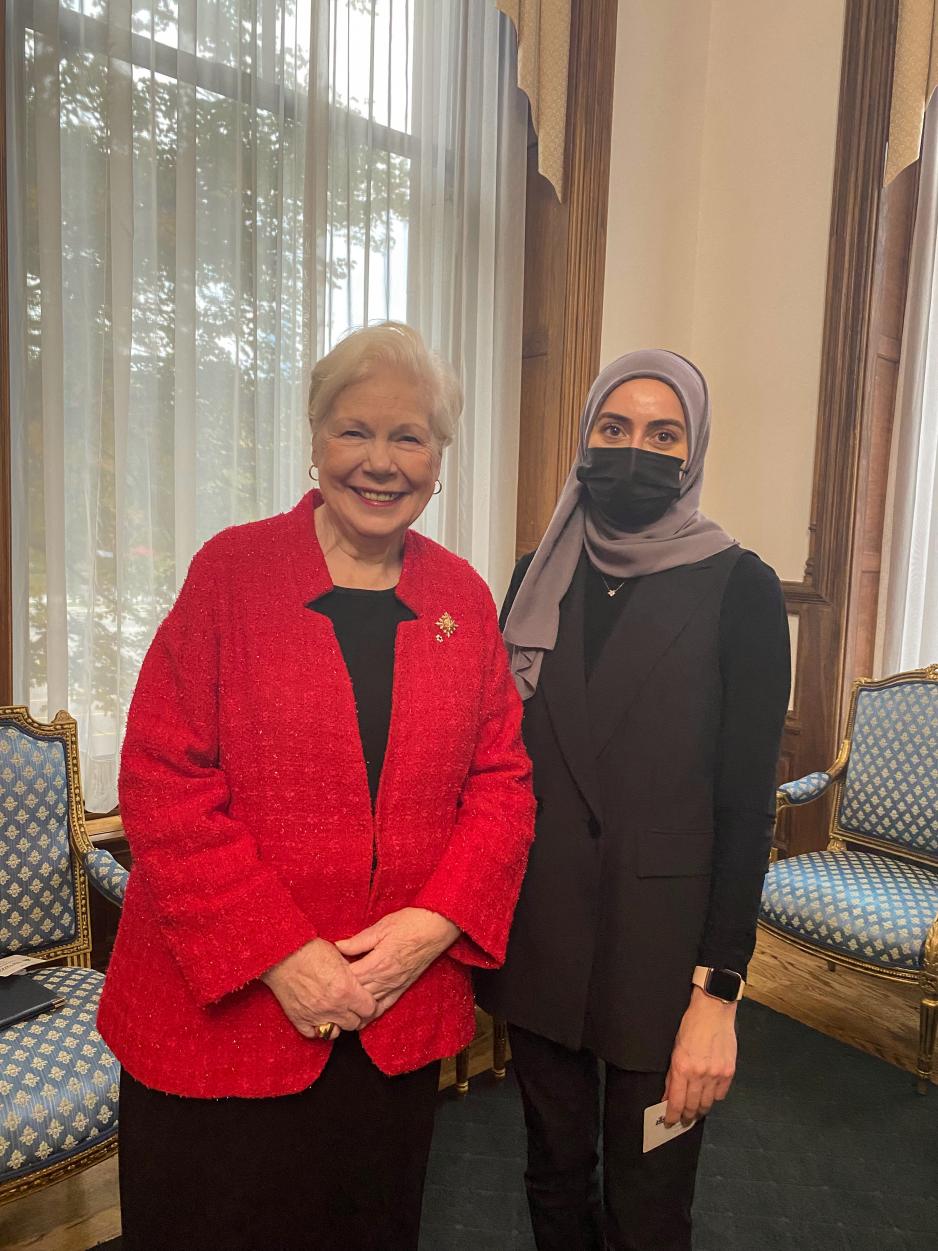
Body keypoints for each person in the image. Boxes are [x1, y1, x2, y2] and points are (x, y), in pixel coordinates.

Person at [97, 322, 536, 1251]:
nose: (381, 462)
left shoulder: (462, 596)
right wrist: (282, 955)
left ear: (439, 457)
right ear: (313, 438)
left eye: (409, 436)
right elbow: (162, 779)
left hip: (390, 1008)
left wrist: (432, 928)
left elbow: (503, 784)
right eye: (354, 430)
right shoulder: (232, 572)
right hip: (224, 1016)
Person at [476, 349, 790, 1251]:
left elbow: (745, 812)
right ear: (584, 440)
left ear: (692, 453)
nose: (634, 450)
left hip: (666, 965)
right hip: (545, 942)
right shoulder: (538, 574)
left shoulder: (743, 587)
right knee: (552, 1177)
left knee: (651, 1205)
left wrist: (719, 995)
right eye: (613, 430)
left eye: (663, 434)